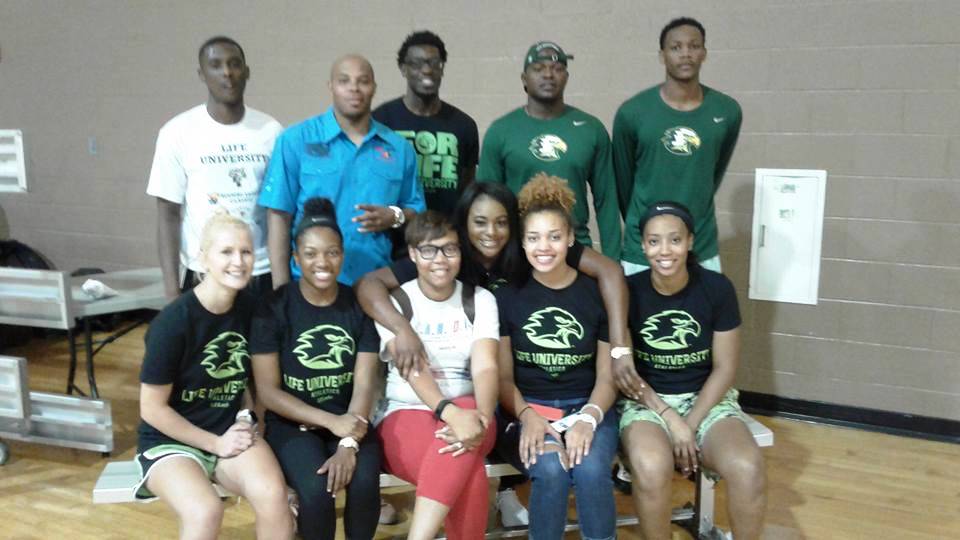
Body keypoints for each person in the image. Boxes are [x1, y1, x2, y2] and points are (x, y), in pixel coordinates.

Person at [355, 180, 640, 527]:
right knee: (475, 459)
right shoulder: (446, 256)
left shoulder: (532, 247)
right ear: (463, 224)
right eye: (480, 222)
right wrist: (402, 328)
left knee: (568, 460)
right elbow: (368, 285)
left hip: (502, 389)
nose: (491, 232)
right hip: (487, 394)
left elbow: (609, 270)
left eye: (502, 222)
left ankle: (506, 492)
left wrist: (620, 347)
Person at [135, 213, 294, 540]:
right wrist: (215, 444)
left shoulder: (253, 309)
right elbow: (151, 408)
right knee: (204, 510)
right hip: (171, 442)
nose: (238, 261)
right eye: (226, 252)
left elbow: (251, 380)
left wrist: (248, 417)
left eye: (246, 251)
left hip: (228, 431)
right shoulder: (172, 323)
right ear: (202, 258)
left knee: (272, 495)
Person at [619, 202, 766, 540]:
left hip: (707, 399)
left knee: (748, 467)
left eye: (674, 240)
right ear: (643, 246)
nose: (664, 250)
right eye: (654, 241)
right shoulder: (627, 291)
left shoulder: (717, 288)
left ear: (689, 242)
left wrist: (690, 423)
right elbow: (625, 373)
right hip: (647, 401)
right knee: (651, 466)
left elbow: (725, 368)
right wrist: (671, 419)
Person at [494, 174, 619, 540]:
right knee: (551, 470)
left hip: (587, 405)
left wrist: (590, 418)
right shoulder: (507, 296)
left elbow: (607, 375)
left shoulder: (595, 293)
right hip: (527, 408)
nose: (543, 247)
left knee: (591, 469)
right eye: (533, 238)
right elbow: (503, 379)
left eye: (553, 236)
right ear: (522, 242)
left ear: (570, 239)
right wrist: (526, 415)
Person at [250, 197, 381, 540]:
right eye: (310, 254)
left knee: (365, 485)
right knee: (317, 493)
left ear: (342, 255)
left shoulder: (357, 305)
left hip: (351, 420)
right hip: (293, 424)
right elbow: (268, 392)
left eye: (332, 252)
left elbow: (364, 384)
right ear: (296, 258)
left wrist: (348, 442)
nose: (322, 262)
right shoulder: (274, 307)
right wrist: (330, 422)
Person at [374, 211, 499, 540]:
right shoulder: (396, 303)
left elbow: (486, 366)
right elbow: (413, 371)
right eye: (429, 250)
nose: (440, 259)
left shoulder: (481, 300)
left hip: (474, 411)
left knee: (463, 437)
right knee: (468, 473)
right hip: (406, 411)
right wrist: (449, 412)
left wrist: (482, 419)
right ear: (413, 254)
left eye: (449, 249)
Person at [258, 54, 425, 287]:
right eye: (344, 81)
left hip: (375, 284)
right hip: (310, 285)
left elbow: (416, 210)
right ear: (331, 86)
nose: (354, 88)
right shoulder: (296, 140)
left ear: (374, 88)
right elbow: (278, 215)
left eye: (363, 81)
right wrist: (282, 290)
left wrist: (394, 216)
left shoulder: (399, 148)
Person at [148, 36, 282, 301]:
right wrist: (172, 291)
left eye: (234, 64)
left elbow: (279, 211)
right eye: (216, 65)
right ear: (202, 74)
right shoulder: (177, 133)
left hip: (260, 271)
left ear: (247, 72)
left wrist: (281, 284)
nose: (227, 73)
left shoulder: (271, 131)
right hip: (204, 273)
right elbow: (168, 215)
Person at [612, 17, 742, 276]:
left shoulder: (726, 111)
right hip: (643, 249)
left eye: (694, 46)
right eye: (676, 47)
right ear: (662, 55)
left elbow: (713, 173)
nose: (685, 54)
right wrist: (645, 223)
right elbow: (623, 182)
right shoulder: (632, 112)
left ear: (704, 53)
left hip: (701, 246)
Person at [477, 40, 621, 260]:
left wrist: (613, 259)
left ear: (566, 77)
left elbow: (606, 201)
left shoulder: (591, 129)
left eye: (557, 68)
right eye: (538, 68)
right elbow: (485, 202)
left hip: (575, 247)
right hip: (517, 249)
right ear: (524, 79)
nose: (548, 75)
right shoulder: (501, 131)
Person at [373, 30, 479, 215]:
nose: (427, 70)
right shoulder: (381, 120)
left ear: (442, 68)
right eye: (416, 63)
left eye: (434, 63)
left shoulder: (464, 125)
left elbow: (467, 189)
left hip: (448, 228)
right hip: (395, 229)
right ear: (403, 69)